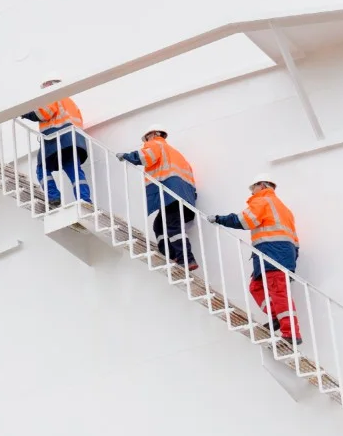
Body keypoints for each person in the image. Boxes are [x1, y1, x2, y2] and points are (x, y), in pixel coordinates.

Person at [206, 175, 302, 345]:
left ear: (262, 185)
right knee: (256, 286)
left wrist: (220, 219)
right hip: (277, 255)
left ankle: (291, 333)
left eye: (253, 188)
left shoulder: (263, 201)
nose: (252, 192)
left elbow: (244, 220)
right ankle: (276, 317)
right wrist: (291, 261)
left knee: (279, 292)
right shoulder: (284, 209)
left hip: (273, 255)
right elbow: (294, 241)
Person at [115, 125, 199, 271]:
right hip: (184, 195)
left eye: (146, 138)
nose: (145, 142)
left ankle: (187, 259)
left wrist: (128, 156)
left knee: (173, 226)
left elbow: (146, 156)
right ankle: (171, 255)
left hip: (170, 193)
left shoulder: (156, 144)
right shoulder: (175, 153)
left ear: (153, 134)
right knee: (159, 226)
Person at [21, 79, 90, 209]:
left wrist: (24, 112)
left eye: (45, 86)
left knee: (42, 168)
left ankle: (53, 197)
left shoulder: (53, 95)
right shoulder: (69, 101)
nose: (45, 89)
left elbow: (44, 113)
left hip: (57, 138)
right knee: (74, 170)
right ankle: (85, 200)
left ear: (51, 85)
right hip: (73, 140)